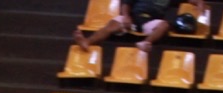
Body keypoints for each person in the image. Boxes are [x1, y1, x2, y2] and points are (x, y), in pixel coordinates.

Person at [74, 0, 206, 53]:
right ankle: (87, 41)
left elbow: (195, 0)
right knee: (112, 25)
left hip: (150, 21)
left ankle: (145, 43)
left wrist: (200, 4)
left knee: (164, 25)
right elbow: (126, 4)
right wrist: (126, 16)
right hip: (132, 18)